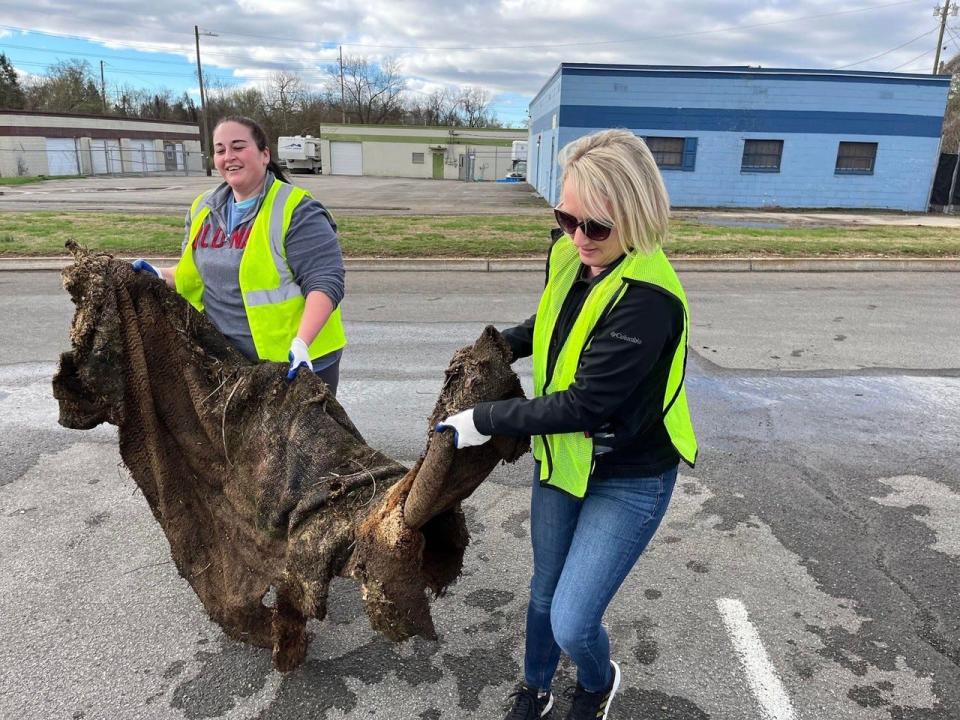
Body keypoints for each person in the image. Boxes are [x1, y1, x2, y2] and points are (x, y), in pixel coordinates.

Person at [437, 129, 697, 720]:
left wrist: (483, 419)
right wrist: (501, 344)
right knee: (543, 590)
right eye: (566, 218)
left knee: (574, 618)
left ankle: (598, 680)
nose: (578, 238)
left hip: (630, 473)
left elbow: (583, 406)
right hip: (564, 460)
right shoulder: (568, 253)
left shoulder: (649, 301)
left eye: (596, 226)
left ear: (635, 215)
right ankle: (535, 688)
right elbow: (556, 320)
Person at [132, 115, 346, 394]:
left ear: (264, 154)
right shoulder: (202, 209)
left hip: (298, 364)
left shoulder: (297, 210)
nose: (228, 157)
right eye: (220, 150)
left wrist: (302, 342)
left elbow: (325, 282)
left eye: (238, 147)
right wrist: (160, 275)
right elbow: (194, 275)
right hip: (227, 362)